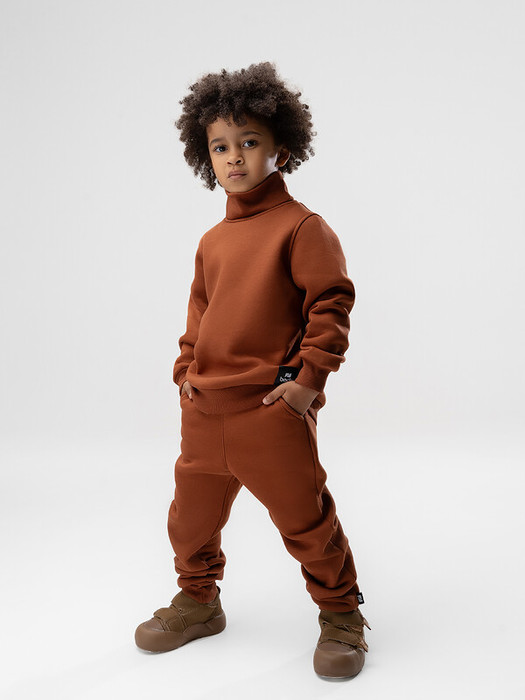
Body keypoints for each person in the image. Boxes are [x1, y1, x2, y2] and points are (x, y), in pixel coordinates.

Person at [135, 61, 371, 680]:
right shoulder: (212, 240)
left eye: (248, 142)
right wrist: (185, 373)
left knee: (305, 521)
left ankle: (341, 614)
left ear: (280, 150)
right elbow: (200, 313)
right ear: (205, 157)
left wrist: (305, 385)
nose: (234, 156)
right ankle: (198, 601)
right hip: (204, 410)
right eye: (220, 147)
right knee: (189, 521)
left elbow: (331, 305)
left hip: (269, 412)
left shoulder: (302, 228)